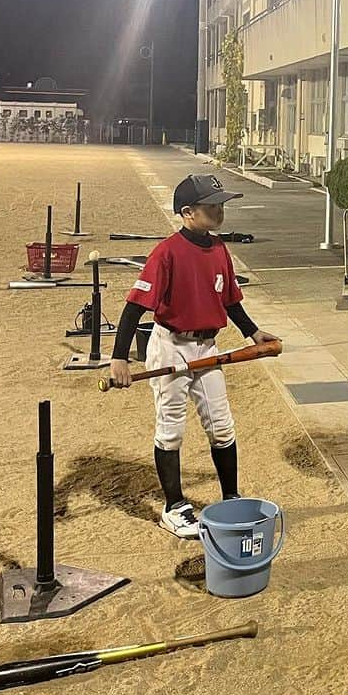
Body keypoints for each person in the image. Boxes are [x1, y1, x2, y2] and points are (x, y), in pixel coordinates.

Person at [109, 174, 280, 539]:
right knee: (170, 430)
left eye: (220, 204)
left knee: (222, 427)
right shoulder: (167, 252)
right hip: (170, 345)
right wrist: (118, 358)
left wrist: (253, 332)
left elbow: (230, 300)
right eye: (211, 205)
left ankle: (230, 497)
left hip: (207, 349)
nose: (219, 211)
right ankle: (174, 507)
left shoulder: (219, 249)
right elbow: (133, 308)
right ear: (187, 213)